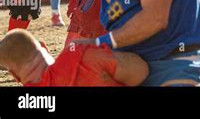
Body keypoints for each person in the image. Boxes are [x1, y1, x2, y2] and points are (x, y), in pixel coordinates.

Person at [0, 29, 149, 86]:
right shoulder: (80, 55)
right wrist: (96, 43)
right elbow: (140, 71)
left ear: (14, 76)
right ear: (44, 47)